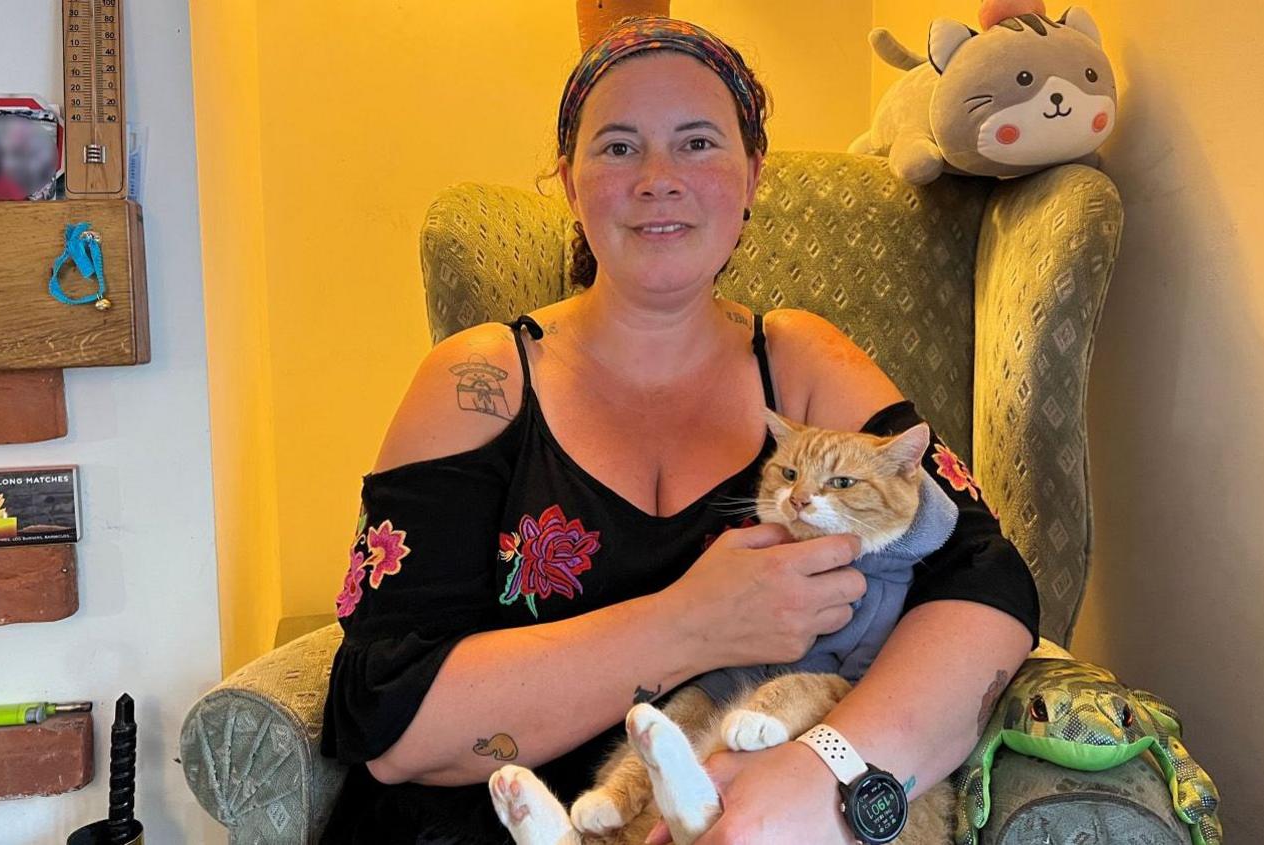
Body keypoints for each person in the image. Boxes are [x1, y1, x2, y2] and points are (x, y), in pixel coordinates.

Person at [321, 16, 1038, 844]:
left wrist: (827, 769)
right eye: (618, 147)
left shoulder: (802, 360)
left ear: (751, 175)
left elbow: (985, 582)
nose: (658, 178)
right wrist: (691, 621)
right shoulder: (477, 382)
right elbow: (387, 721)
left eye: (698, 143)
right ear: (568, 180)